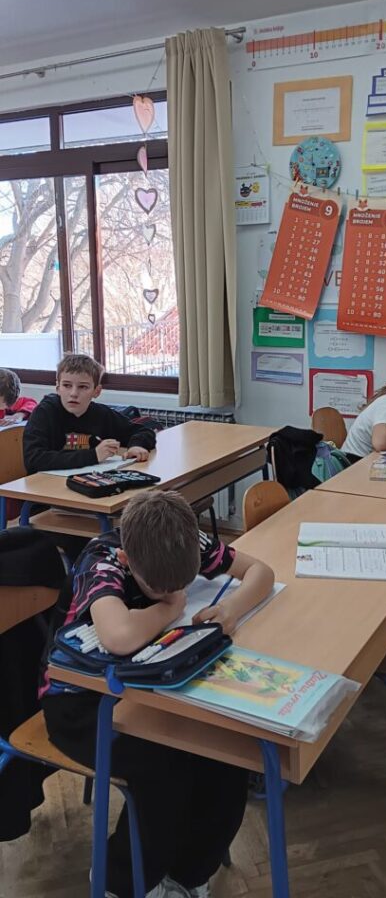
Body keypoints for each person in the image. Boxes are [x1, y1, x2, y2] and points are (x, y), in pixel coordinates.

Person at [41, 489, 275, 898]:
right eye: (159, 588)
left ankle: (188, 875)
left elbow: (261, 572)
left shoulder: (182, 540)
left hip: (151, 688)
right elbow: (119, 635)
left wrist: (231, 609)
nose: (171, 590)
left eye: (181, 583)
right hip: (80, 703)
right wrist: (171, 606)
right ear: (128, 560)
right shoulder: (104, 560)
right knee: (166, 771)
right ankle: (120, 882)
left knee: (226, 754)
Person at [23, 353, 156, 473]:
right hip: (47, 486)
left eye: (83, 387)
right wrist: (94, 455)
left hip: (88, 481)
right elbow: (33, 460)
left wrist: (136, 446)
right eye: (67, 385)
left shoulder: (101, 414)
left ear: (96, 391)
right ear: (58, 388)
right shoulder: (44, 413)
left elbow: (143, 431)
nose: (73, 393)